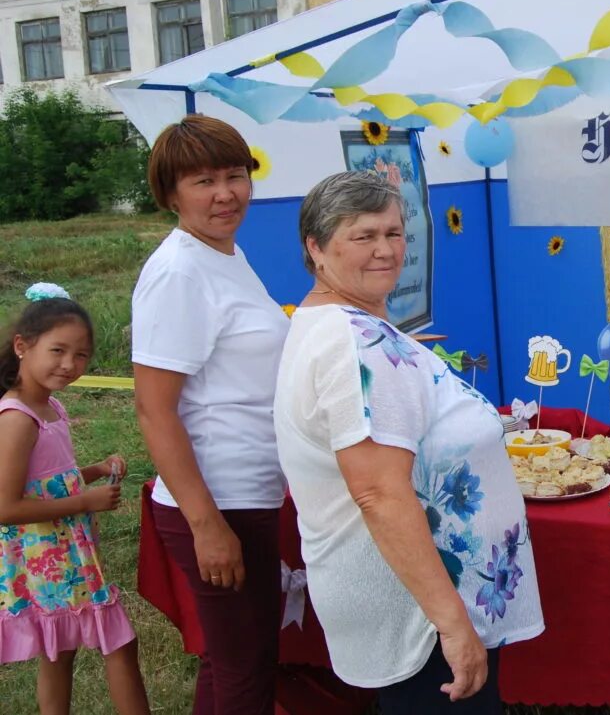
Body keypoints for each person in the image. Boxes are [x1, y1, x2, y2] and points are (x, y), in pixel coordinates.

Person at [275, 171, 543, 713]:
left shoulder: (336, 324)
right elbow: (378, 492)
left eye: (394, 233)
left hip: (419, 603)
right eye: (364, 236)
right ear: (316, 247)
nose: (385, 250)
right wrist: (452, 624)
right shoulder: (357, 344)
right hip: (420, 617)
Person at [132, 115, 289, 714]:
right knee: (246, 673)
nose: (225, 193)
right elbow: (153, 409)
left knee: (232, 665)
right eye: (203, 181)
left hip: (249, 492)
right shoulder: (179, 272)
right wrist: (206, 526)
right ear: (171, 194)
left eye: (235, 175)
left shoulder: (224, 254)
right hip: (217, 500)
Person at [0, 285, 149, 715]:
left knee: (58, 651)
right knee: (119, 643)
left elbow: (46, 481)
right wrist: (86, 502)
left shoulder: (49, 407)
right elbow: (6, 506)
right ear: (22, 347)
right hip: (49, 557)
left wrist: (94, 472)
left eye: (81, 355)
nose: (70, 364)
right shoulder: (17, 419)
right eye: (58, 350)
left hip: (66, 551)